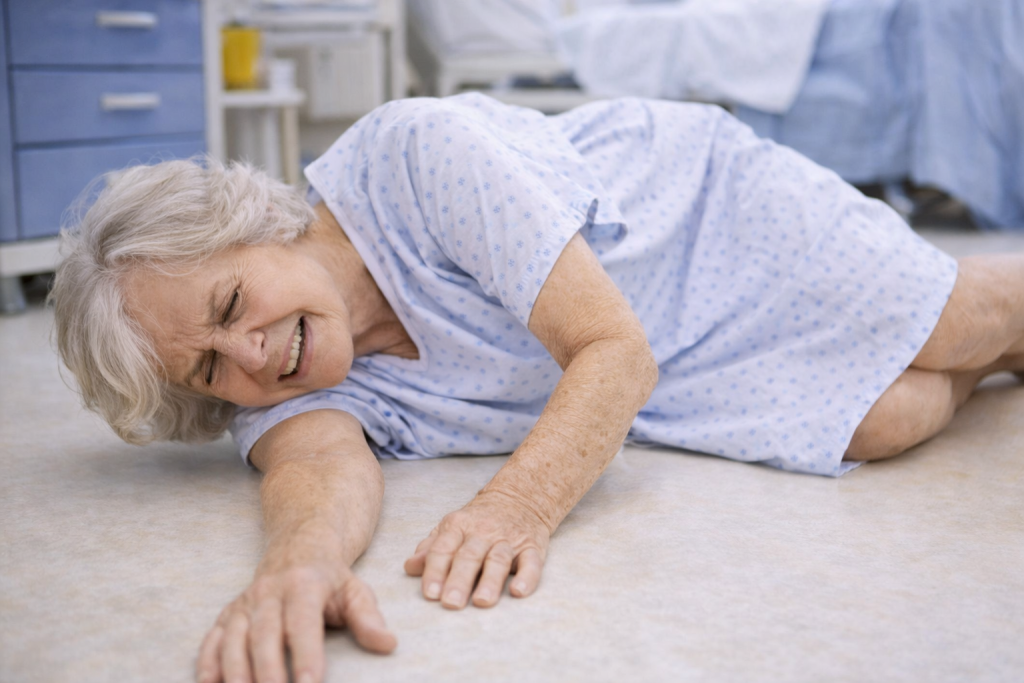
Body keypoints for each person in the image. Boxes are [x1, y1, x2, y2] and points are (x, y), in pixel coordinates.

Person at [50, 93, 1024, 683]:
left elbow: (611, 350)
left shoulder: (412, 156)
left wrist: (518, 503)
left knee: (952, 325)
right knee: (890, 418)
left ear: (257, 226)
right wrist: (295, 570)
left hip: (706, 217)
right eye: (209, 367)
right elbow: (315, 472)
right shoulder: (283, 390)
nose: (253, 354)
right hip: (667, 358)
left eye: (231, 301)